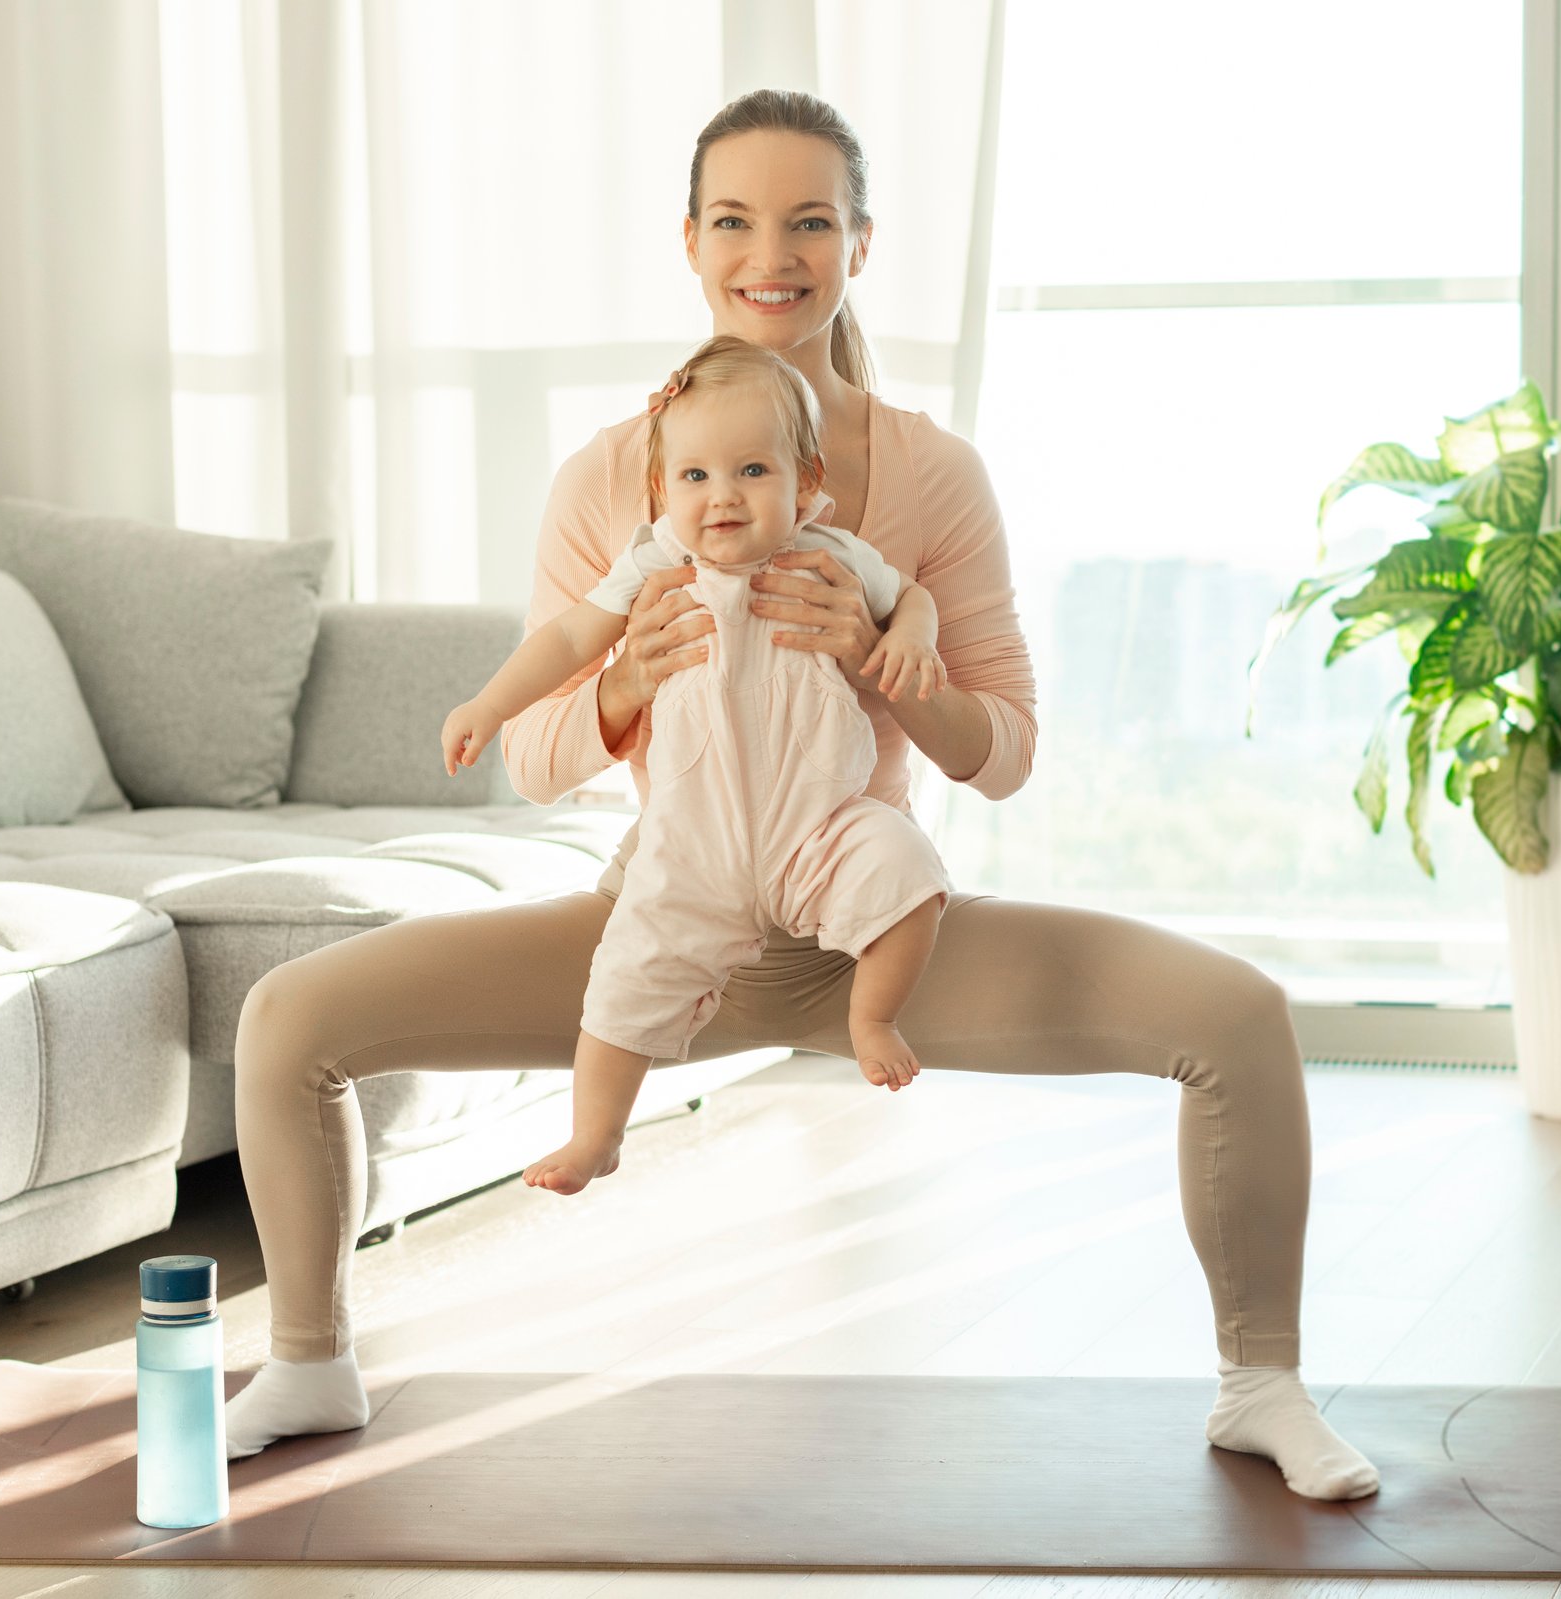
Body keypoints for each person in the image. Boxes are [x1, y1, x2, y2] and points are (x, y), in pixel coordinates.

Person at [221, 87, 1380, 1503]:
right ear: (693, 242)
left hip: (864, 920)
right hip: (668, 917)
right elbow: (533, 754)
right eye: (735, 220)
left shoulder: (931, 476)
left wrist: (890, 672)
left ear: (860, 245)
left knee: (1240, 1017)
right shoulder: (621, 478)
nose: (771, 254)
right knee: (288, 1021)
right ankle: (307, 1356)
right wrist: (626, 685)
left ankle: (1262, 1384)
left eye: (809, 221)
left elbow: (1003, 749)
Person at [440, 334, 954, 1198]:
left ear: (806, 484)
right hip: (692, 845)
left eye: (753, 471)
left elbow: (916, 598)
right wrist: (489, 705)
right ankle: (596, 1134)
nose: (723, 496)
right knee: (623, 979)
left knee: (908, 866)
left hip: (817, 826)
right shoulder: (652, 565)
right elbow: (566, 638)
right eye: (695, 476)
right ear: (661, 492)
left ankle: (872, 1015)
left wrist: (907, 638)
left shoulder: (829, 557)